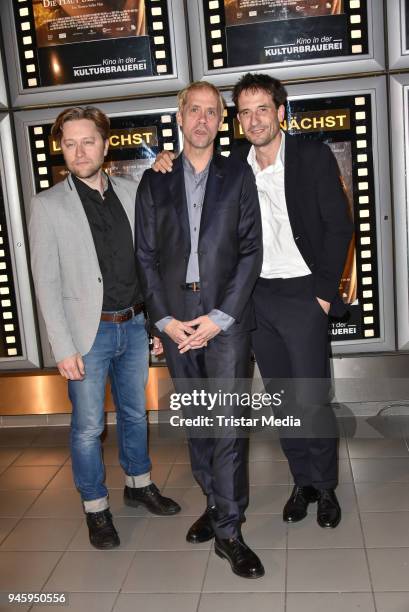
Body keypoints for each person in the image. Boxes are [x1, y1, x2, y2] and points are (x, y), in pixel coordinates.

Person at [152, 73, 353, 530]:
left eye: (263, 108)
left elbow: (339, 227)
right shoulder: (233, 167)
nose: (254, 118)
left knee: (311, 397)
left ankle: (325, 487)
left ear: (281, 112)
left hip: (304, 293)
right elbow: (191, 175)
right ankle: (301, 482)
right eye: (244, 111)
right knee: (282, 398)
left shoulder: (311, 156)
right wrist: (165, 158)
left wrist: (323, 295)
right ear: (236, 120)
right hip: (253, 296)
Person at [29, 106, 180, 550]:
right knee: (88, 427)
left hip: (133, 324)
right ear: (61, 149)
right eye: (69, 143)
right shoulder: (47, 204)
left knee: (136, 414)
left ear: (105, 143)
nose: (79, 151)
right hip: (86, 334)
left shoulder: (134, 192)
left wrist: (155, 322)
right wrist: (63, 347)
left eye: (87, 141)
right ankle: (96, 508)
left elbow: (150, 262)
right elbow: (47, 280)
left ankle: (139, 483)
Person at [135, 81, 264, 578]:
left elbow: (251, 251)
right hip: (174, 317)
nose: (203, 120)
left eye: (213, 112)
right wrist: (165, 320)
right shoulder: (155, 180)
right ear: (180, 115)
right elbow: (146, 256)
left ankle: (229, 531)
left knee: (228, 423)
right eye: (195, 110)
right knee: (198, 423)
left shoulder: (238, 175)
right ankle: (215, 504)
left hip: (224, 319)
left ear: (221, 120)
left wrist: (218, 317)